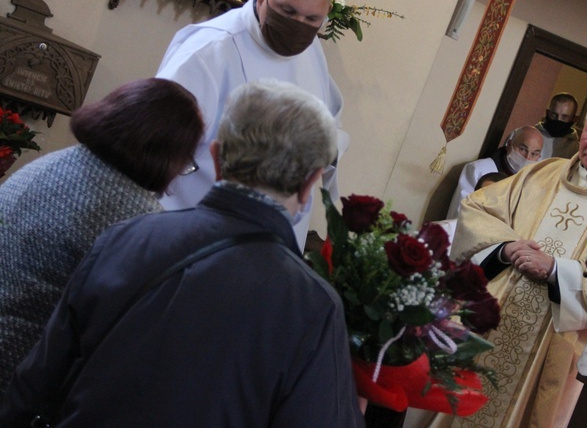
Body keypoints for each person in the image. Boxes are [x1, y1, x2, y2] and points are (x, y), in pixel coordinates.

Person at [0, 80, 365, 427]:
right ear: (310, 184)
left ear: (217, 159)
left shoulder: (127, 237)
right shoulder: (313, 307)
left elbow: (34, 385)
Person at [430, 95, 587, 428]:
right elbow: (476, 208)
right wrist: (506, 247)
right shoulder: (542, 173)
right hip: (495, 319)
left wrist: (557, 271)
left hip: (558, 345)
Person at [0, 78, 203, 397]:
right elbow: (144, 334)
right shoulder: (135, 217)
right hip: (19, 376)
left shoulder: (56, 161)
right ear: (166, 153)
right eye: (185, 160)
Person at [156, 0, 348, 252]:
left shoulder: (311, 51)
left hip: (276, 244)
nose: (299, 25)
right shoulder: (208, 52)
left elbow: (329, 123)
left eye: (312, 18)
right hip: (198, 238)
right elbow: (155, 145)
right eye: (287, 12)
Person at [445, 125, 543, 219]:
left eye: (534, 154)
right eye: (522, 149)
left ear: (539, 157)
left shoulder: (535, 186)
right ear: (509, 145)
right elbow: (462, 213)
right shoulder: (479, 169)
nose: (527, 158)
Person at [536, 92, 580, 159]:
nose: (558, 119)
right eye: (554, 115)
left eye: (564, 117)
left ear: (574, 119)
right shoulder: (531, 135)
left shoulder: (575, 149)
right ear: (547, 113)